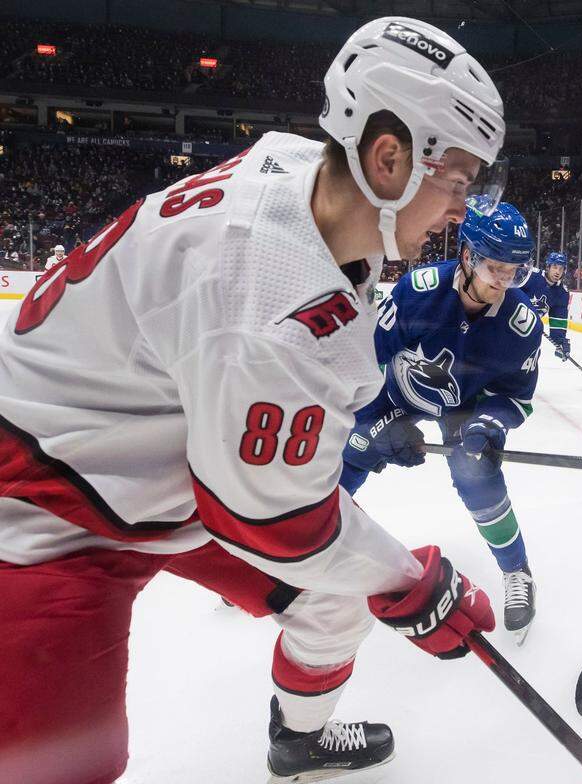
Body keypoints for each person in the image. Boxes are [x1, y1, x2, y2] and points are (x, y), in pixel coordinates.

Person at [0, 17, 507, 784]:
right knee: (70, 763)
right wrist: (412, 581)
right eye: (461, 180)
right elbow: (275, 525)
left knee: (333, 603)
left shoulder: (302, 173)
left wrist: (360, 461)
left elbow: (260, 427)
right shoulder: (273, 305)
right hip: (43, 502)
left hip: (156, 462)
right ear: (389, 154)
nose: (464, 209)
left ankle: (297, 741)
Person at [339, 201, 542, 644]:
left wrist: (488, 424)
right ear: (467, 255)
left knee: (478, 473)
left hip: (462, 408)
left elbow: (517, 399)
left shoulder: (522, 325)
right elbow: (367, 357)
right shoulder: (418, 289)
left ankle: (516, 570)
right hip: (395, 392)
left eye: (515, 272)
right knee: (349, 457)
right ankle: (291, 548)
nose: (505, 282)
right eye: (495, 268)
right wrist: (374, 421)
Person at [521, 250, 572, 360]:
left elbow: (558, 321)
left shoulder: (562, 293)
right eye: (554, 267)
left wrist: (560, 342)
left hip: (529, 334)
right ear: (548, 267)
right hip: (505, 322)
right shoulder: (530, 275)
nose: (557, 272)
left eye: (561, 268)